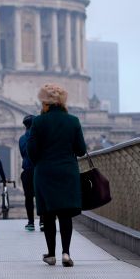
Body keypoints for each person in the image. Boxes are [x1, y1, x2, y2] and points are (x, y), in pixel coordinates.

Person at [27, 83, 86, 268]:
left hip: (45, 172)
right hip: (67, 172)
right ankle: (66, 253)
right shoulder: (73, 121)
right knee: (65, 215)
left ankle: (51, 254)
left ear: (45, 103)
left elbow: (31, 151)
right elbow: (81, 150)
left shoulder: (38, 122)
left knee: (49, 214)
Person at [18, 114, 36, 231]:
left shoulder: (22, 139)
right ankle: (43, 221)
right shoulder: (39, 137)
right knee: (41, 196)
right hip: (38, 170)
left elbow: (23, 153)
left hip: (27, 171)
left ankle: (30, 222)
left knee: (28, 197)